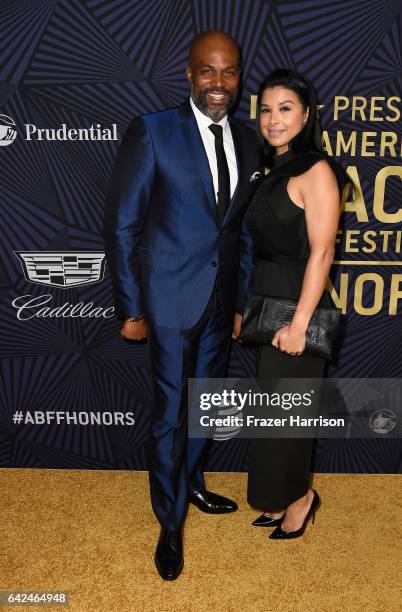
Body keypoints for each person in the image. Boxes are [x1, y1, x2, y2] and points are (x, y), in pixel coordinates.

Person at [104, 30, 261, 579]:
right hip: (169, 300)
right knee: (171, 414)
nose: (219, 83)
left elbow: (239, 232)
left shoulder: (248, 140)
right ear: (189, 75)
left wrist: (240, 303)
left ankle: (191, 483)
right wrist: (131, 308)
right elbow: (123, 226)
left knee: (205, 405)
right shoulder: (152, 133)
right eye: (208, 71)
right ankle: (169, 524)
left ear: (240, 78)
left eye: (230, 72)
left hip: (221, 304)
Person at [234, 69, 346, 539]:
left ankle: (301, 499)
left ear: (305, 114)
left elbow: (322, 252)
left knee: (289, 415)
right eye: (265, 109)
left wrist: (300, 322)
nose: (273, 119)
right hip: (265, 299)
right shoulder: (267, 169)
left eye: (284, 109)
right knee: (273, 415)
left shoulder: (316, 170)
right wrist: (245, 308)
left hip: (296, 305)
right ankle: (284, 497)